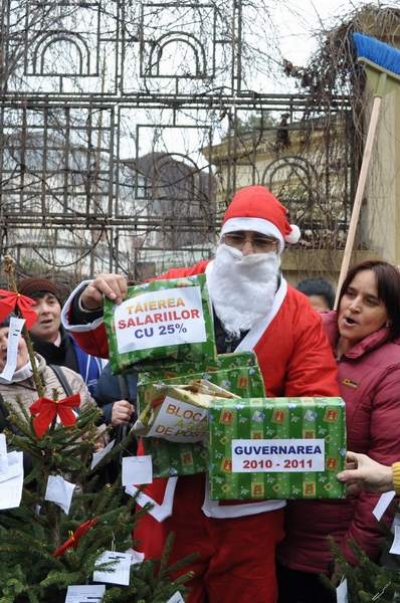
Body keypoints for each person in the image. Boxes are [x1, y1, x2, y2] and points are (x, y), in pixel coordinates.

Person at [61, 184, 339, 603]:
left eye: (261, 241)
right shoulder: (178, 288)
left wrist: (241, 425)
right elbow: (110, 342)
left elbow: (314, 408)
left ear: (280, 247)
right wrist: (92, 299)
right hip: (169, 493)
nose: (246, 251)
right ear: (221, 239)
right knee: (161, 591)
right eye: (236, 238)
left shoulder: (301, 317)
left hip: (250, 504)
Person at [277, 259, 400, 603]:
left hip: (328, 550)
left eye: (371, 301)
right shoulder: (306, 337)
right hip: (275, 531)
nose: (354, 306)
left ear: (389, 316)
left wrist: (351, 554)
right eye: (350, 293)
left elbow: (383, 481)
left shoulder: (392, 370)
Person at [17, 277, 104, 396]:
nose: (45, 310)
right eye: (34, 304)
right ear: (20, 315)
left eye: (51, 302)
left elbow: (102, 400)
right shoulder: (15, 363)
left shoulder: (90, 352)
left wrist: (110, 410)